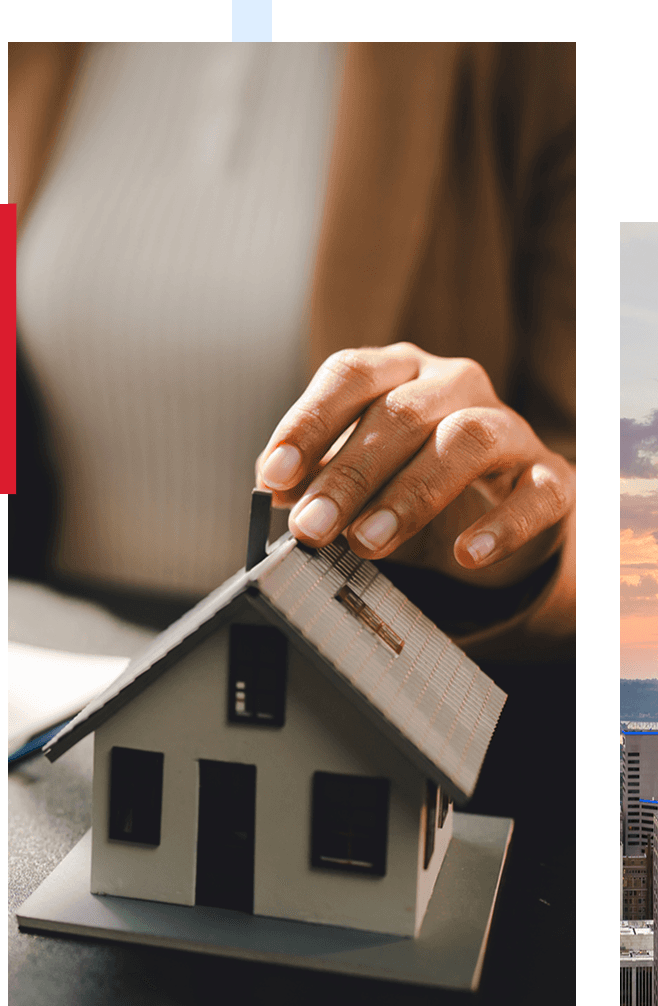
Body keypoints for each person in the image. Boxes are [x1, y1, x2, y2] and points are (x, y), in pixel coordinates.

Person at [4, 42, 575, 658]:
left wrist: (533, 536)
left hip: (351, 675)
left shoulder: (538, 51)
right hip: (46, 661)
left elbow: (629, 503)